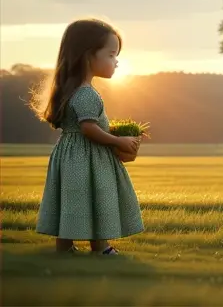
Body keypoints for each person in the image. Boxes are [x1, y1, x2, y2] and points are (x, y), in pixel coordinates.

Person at [32, 17, 145, 255]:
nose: (116, 62)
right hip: (87, 157)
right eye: (111, 54)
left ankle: (64, 246)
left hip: (70, 155)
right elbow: (89, 128)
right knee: (98, 196)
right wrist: (118, 141)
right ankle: (101, 246)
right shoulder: (87, 94)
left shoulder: (70, 90)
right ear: (88, 55)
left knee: (72, 200)